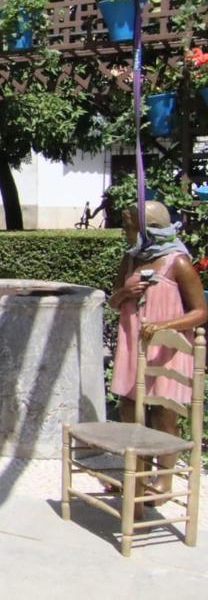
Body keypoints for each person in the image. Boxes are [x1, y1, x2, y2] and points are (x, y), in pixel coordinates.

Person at [106, 200, 206, 506]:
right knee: (128, 408)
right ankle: (135, 476)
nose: (124, 231)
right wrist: (125, 293)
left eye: (129, 226)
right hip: (132, 341)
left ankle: (162, 482)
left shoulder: (178, 263)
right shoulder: (131, 259)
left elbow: (201, 312)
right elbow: (112, 301)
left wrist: (165, 324)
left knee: (164, 413)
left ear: (147, 230)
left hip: (166, 347)